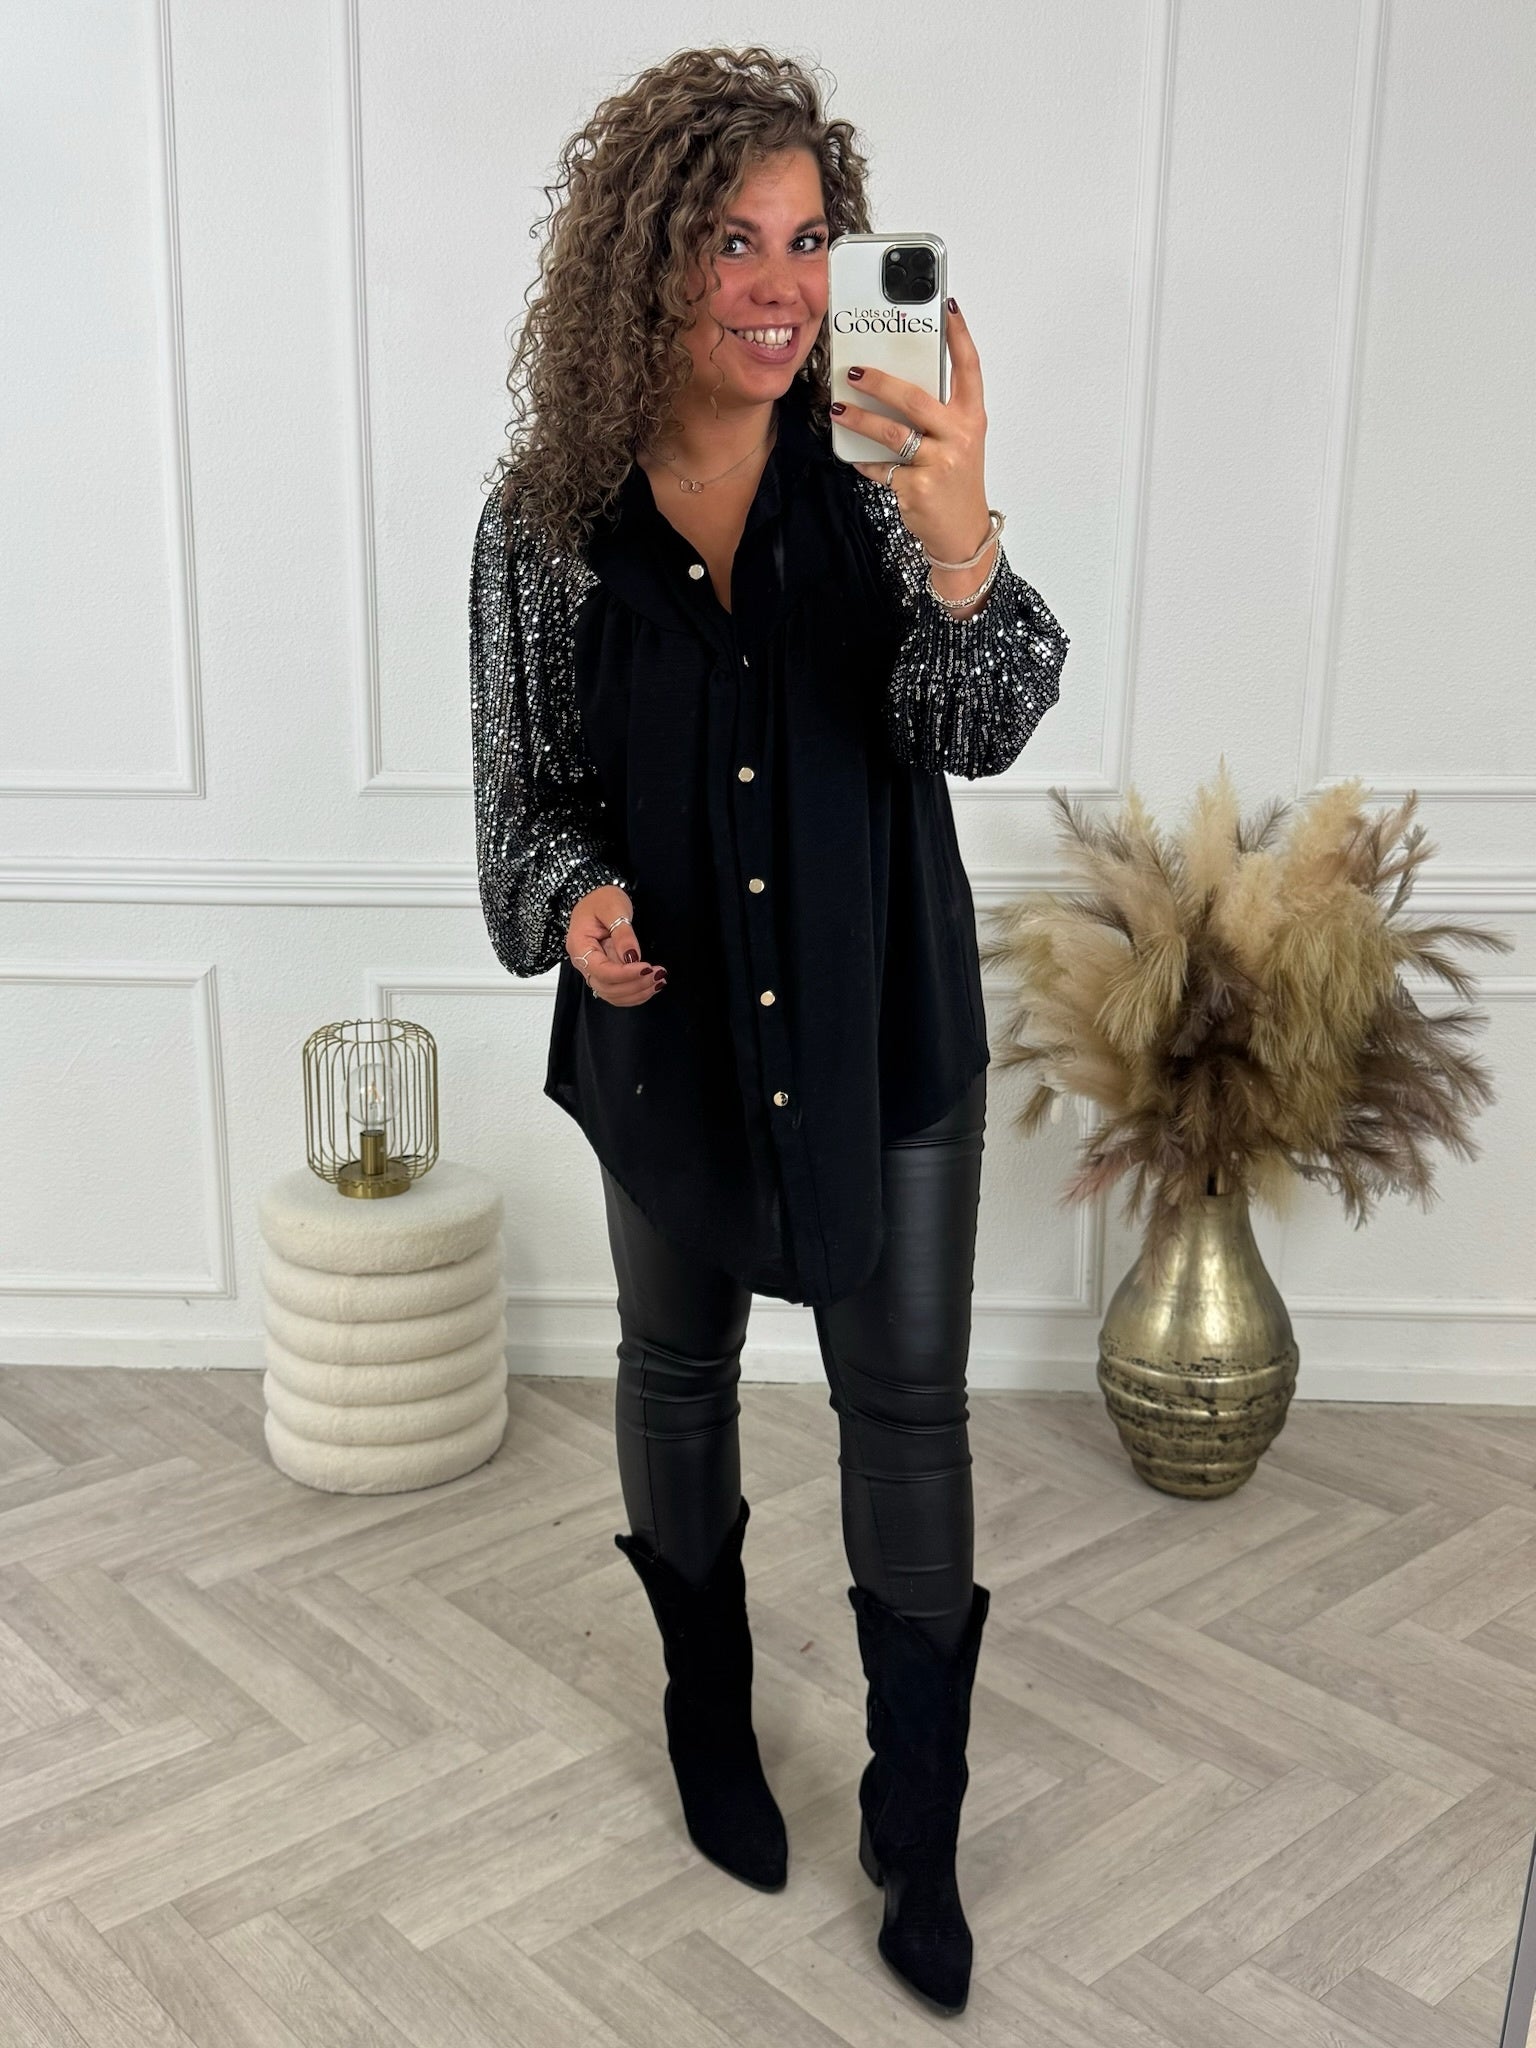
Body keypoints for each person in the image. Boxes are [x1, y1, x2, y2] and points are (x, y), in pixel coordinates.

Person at [469, 46, 1068, 2017]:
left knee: (908, 1414)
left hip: (885, 1022)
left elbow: (978, 722)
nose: (782, 285)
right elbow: (527, 799)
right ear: (646, 259)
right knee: (675, 1370)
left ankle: (921, 1814)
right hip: (674, 1042)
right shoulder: (547, 525)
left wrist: (963, 537)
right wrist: (579, 899)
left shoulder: (884, 479)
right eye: (733, 239)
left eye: (811, 242)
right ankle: (707, 1720)